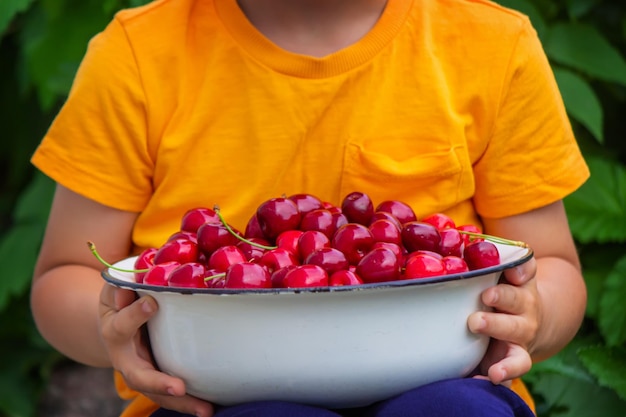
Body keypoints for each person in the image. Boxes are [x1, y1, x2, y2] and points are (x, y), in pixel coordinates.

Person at [29, 0, 589, 416]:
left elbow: (555, 269)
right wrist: (118, 328)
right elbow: (64, 278)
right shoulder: (138, 54)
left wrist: (531, 317)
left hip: (446, 384)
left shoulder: (491, 45)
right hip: (212, 395)